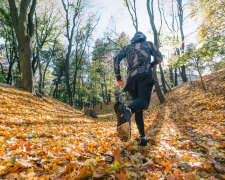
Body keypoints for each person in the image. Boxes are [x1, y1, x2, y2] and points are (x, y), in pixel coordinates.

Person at [113, 31, 163, 146]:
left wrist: (118, 76)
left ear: (133, 39)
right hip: (145, 75)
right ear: (142, 37)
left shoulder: (127, 47)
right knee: (144, 102)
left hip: (131, 79)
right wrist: (151, 64)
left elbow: (116, 59)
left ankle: (143, 138)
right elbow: (159, 58)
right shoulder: (149, 44)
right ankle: (127, 110)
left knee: (138, 109)